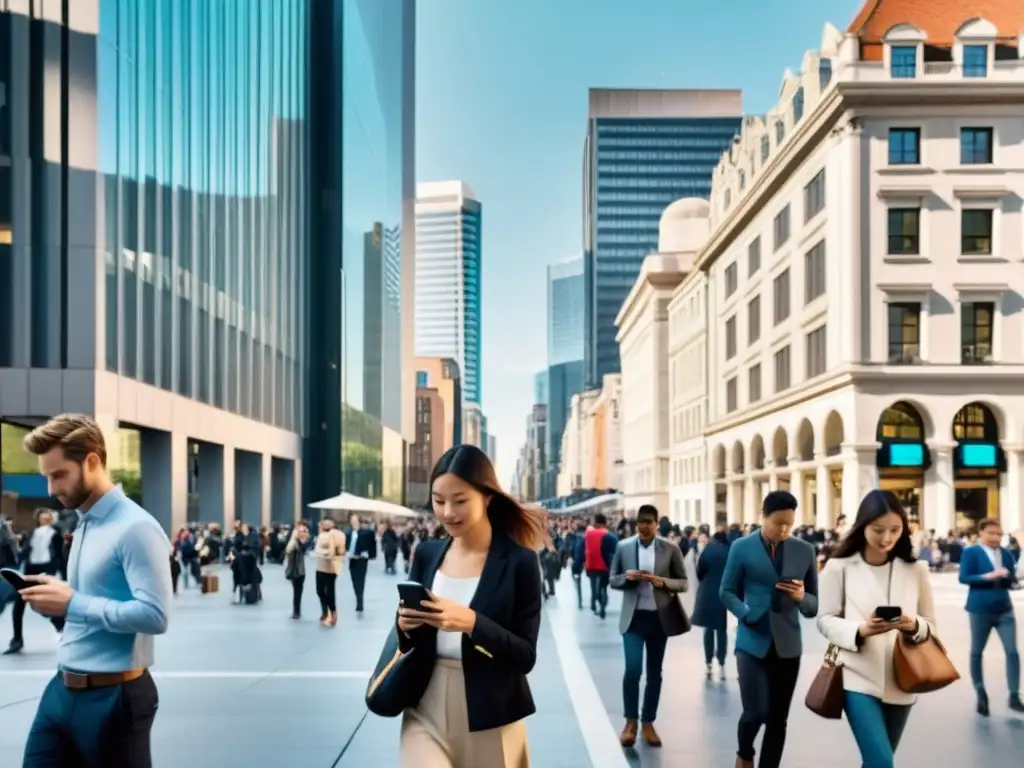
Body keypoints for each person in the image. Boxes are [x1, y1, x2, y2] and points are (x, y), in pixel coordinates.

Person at [16, 414, 172, 767]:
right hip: (61, 689)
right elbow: (92, 598)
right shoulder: (85, 524)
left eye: (59, 475)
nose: (51, 490)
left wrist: (73, 603)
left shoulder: (137, 528)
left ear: (92, 461)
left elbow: (156, 615)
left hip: (114, 697)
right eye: (47, 477)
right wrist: (58, 598)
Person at [396, 444, 545, 767]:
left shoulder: (520, 562)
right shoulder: (427, 553)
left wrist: (473, 623)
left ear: (487, 497)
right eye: (439, 501)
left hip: (492, 712)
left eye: (460, 501)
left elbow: (525, 655)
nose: (448, 512)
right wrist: (404, 626)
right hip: (425, 704)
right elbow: (407, 639)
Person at [816, 489, 936, 767]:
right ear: (863, 526)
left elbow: (930, 625)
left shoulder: (916, 570)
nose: (887, 538)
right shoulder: (838, 567)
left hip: (903, 679)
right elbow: (824, 619)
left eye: (895, 530)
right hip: (856, 677)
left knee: (877, 762)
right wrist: (861, 629)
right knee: (882, 762)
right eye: (878, 530)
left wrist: (913, 624)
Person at [719, 490, 818, 768]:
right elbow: (726, 592)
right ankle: (744, 752)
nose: (784, 529)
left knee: (778, 719)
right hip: (751, 640)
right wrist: (745, 614)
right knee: (755, 712)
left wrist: (801, 598)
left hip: (789, 646)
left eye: (790, 523)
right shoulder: (741, 548)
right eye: (778, 523)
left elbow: (813, 606)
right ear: (763, 517)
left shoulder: (805, 551)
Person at [608, 504, 689, 748]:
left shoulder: (670, 548)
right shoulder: (623, 547)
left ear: (656, 523)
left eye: (648, 521)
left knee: (655, 673)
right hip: (633, 619)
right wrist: (628, 578)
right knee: (632, 670)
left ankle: (648, 722)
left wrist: (660, 581)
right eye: (640, 522)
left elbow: (683, 583)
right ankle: (630, 723)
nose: (644, 526)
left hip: (659, 619)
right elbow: (613, 579)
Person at [959, 517, 1024, 716]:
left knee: (1012, 651)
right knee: (977, 651)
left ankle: (1014, 695)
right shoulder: (971, 553)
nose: (996, 537)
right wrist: (987, 577)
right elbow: (964, 577)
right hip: (980, 608)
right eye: (992, 533)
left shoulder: (1006, 554)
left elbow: (1011, 579)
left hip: (1004, 608)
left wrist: (1013, 580)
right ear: (982, 534)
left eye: (999, 534)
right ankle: (980, 691)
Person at [693, 528, 731, 681]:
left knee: (708, 629)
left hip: (707, 594)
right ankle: (721, 663)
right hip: (724, 594)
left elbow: (699, 570)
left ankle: (708, 663)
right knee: (722, 630)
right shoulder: (730, 551)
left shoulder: (708, 550)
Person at [314, 518, 346, 626]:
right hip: (321, 566)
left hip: (331, 567)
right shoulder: (322, 535)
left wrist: (324, 553)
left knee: (329, 591)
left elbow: (335, 551)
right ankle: (325, 611)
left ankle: (332, 613)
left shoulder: (336, 535)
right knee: (320, 590)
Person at [345, 513, 377, 612]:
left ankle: (360, 603)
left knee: (360, 581)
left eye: (355, 519)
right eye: (352, 519)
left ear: (359, 520)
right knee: (354, 580)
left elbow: (372, 542)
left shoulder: (365, 532)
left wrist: (370, 554)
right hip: (352, 558)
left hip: (362, 559)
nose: (353, 521)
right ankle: (358, 597)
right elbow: (347, 544)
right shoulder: (349, 532)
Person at [284, 521, 312, 619]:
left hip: (299, 570)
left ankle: (296, 611)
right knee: (297, 591)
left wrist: (304, 536)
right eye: (301, 531)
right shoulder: (294, 542)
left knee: (297, 591)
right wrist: (297, 537)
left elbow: (304, 547)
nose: (302, 533)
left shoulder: (299, 542)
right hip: (295, 570)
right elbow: (291, 550)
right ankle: (296, 611)